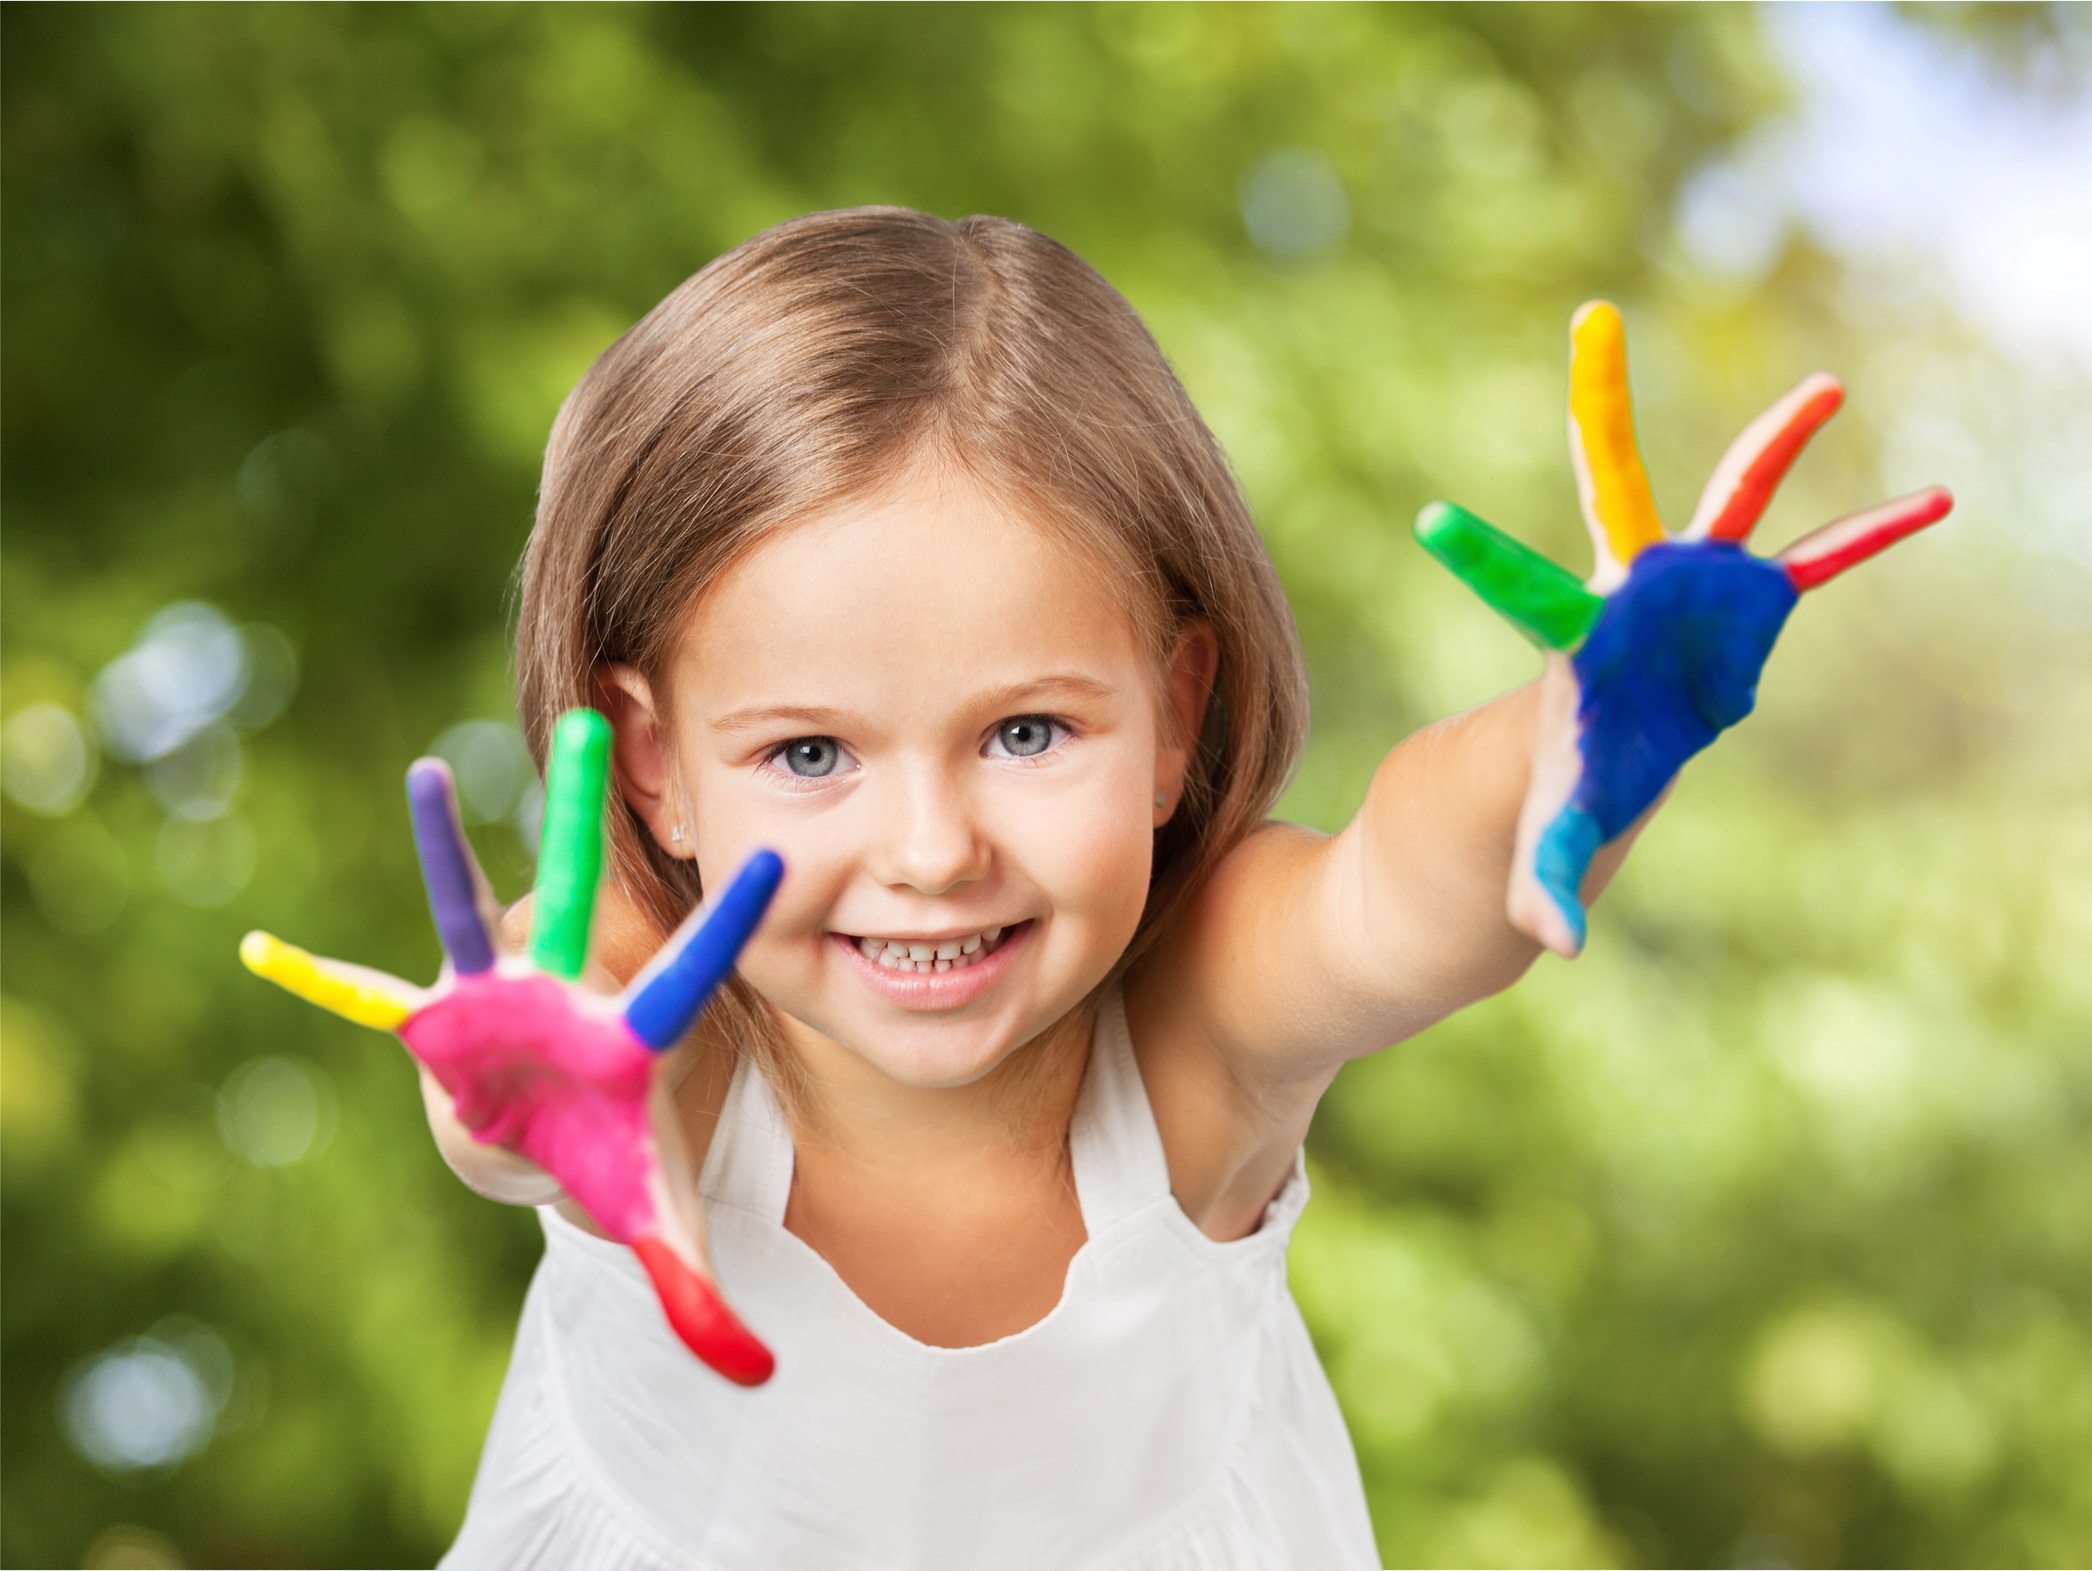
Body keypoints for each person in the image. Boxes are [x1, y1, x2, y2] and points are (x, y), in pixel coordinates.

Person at [409, 206, 1933, 1570]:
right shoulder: (655, 1032)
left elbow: (1395, 893)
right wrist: (503, 1105)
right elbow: (541, 1103)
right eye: (811, 753)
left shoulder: (1195, 1029)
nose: (932, 850)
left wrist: (1576, 729)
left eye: (1025, 733)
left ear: (1176, 715)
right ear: (661, 766)